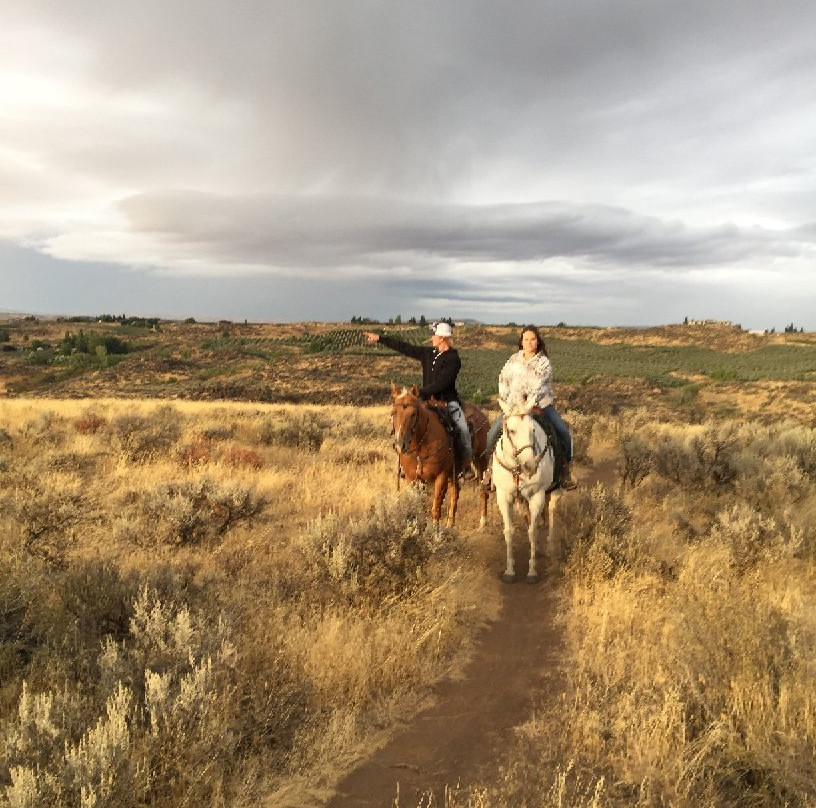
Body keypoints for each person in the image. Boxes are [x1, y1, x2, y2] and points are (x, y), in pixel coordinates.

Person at [365, 322, 474, 478]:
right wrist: (380, 339)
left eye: (434, 335)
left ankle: (465, 465)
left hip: (447, 402)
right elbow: (405, 347)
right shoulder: (428, 353)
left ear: (442, 338)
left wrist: (419, 393)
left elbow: (442, 383)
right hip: (425, 401)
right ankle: (406, 465)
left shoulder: (453, 359)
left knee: (463, 429)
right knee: (407, 425)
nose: (432, 338)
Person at [483, 325, 577, 490]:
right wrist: (507, 401)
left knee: (562, 432)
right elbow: (503, 380)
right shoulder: (513, 360)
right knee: (492, 433)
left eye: (533, 339)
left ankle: (565, 469)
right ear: (521, 342)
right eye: (526, 339)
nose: (529, 342)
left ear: (538, 341)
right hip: (513, 408)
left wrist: (529, 403)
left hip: (540, 406)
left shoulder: (543, 362)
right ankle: (489, 470)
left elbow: (538, 385)